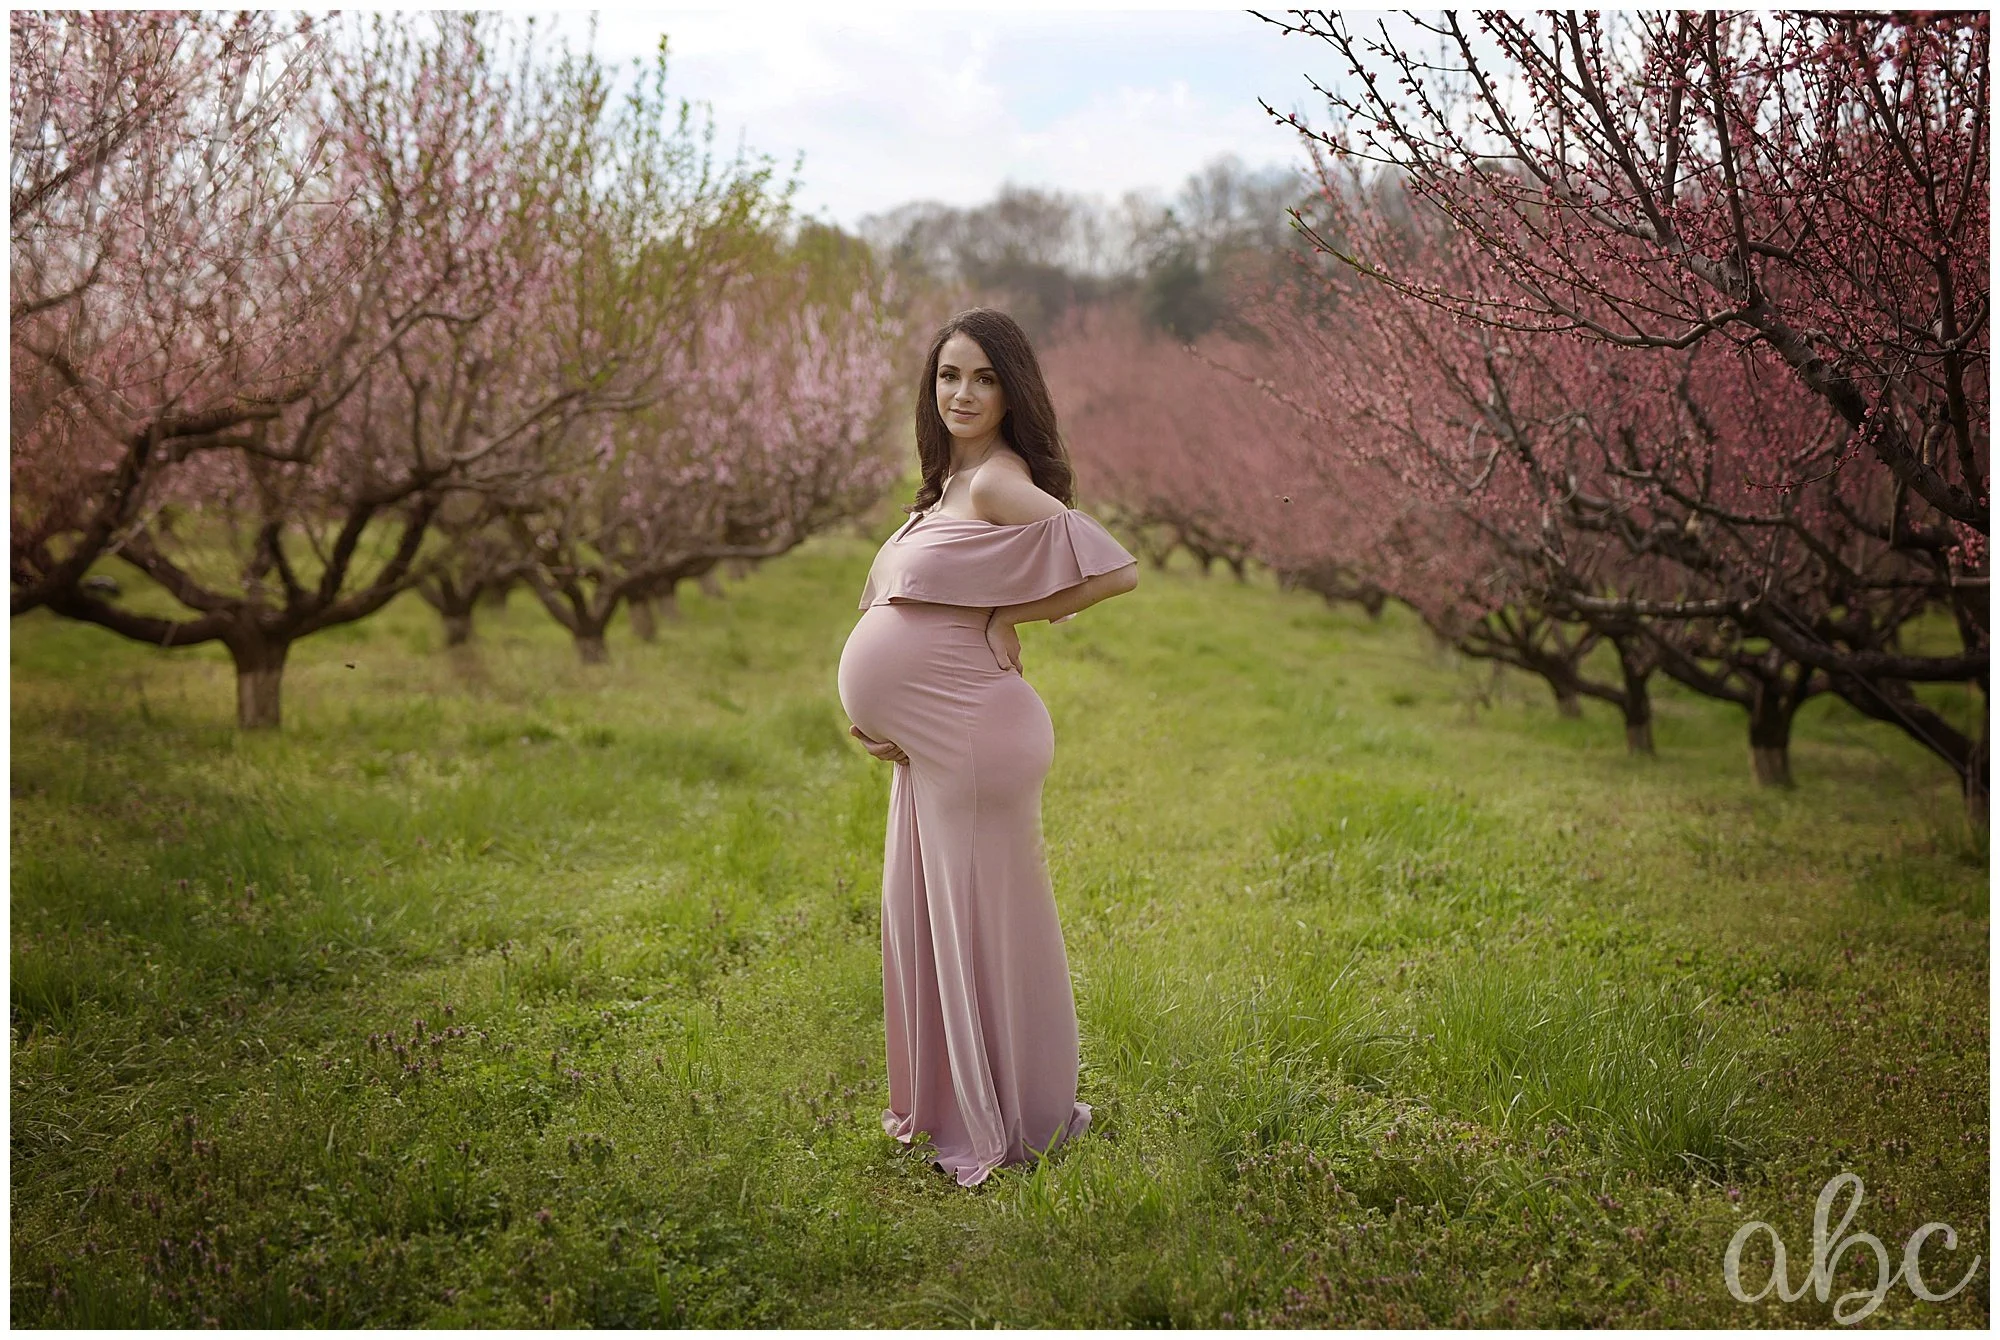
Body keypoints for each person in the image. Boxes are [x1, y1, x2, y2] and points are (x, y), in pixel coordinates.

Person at [835, 307, 1140, 1187]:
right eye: (948, 376)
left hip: (975, 733)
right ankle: (956, 1104)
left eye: (984, 378)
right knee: (924, 914)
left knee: (988, 928)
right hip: (935, 738)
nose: (963, 393)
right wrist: (879, 711)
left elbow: (1113, 567)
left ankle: (1019, 1119)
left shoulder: (1001, 481)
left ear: (1012, 392)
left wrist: (1014, 613)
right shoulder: (946, 487)